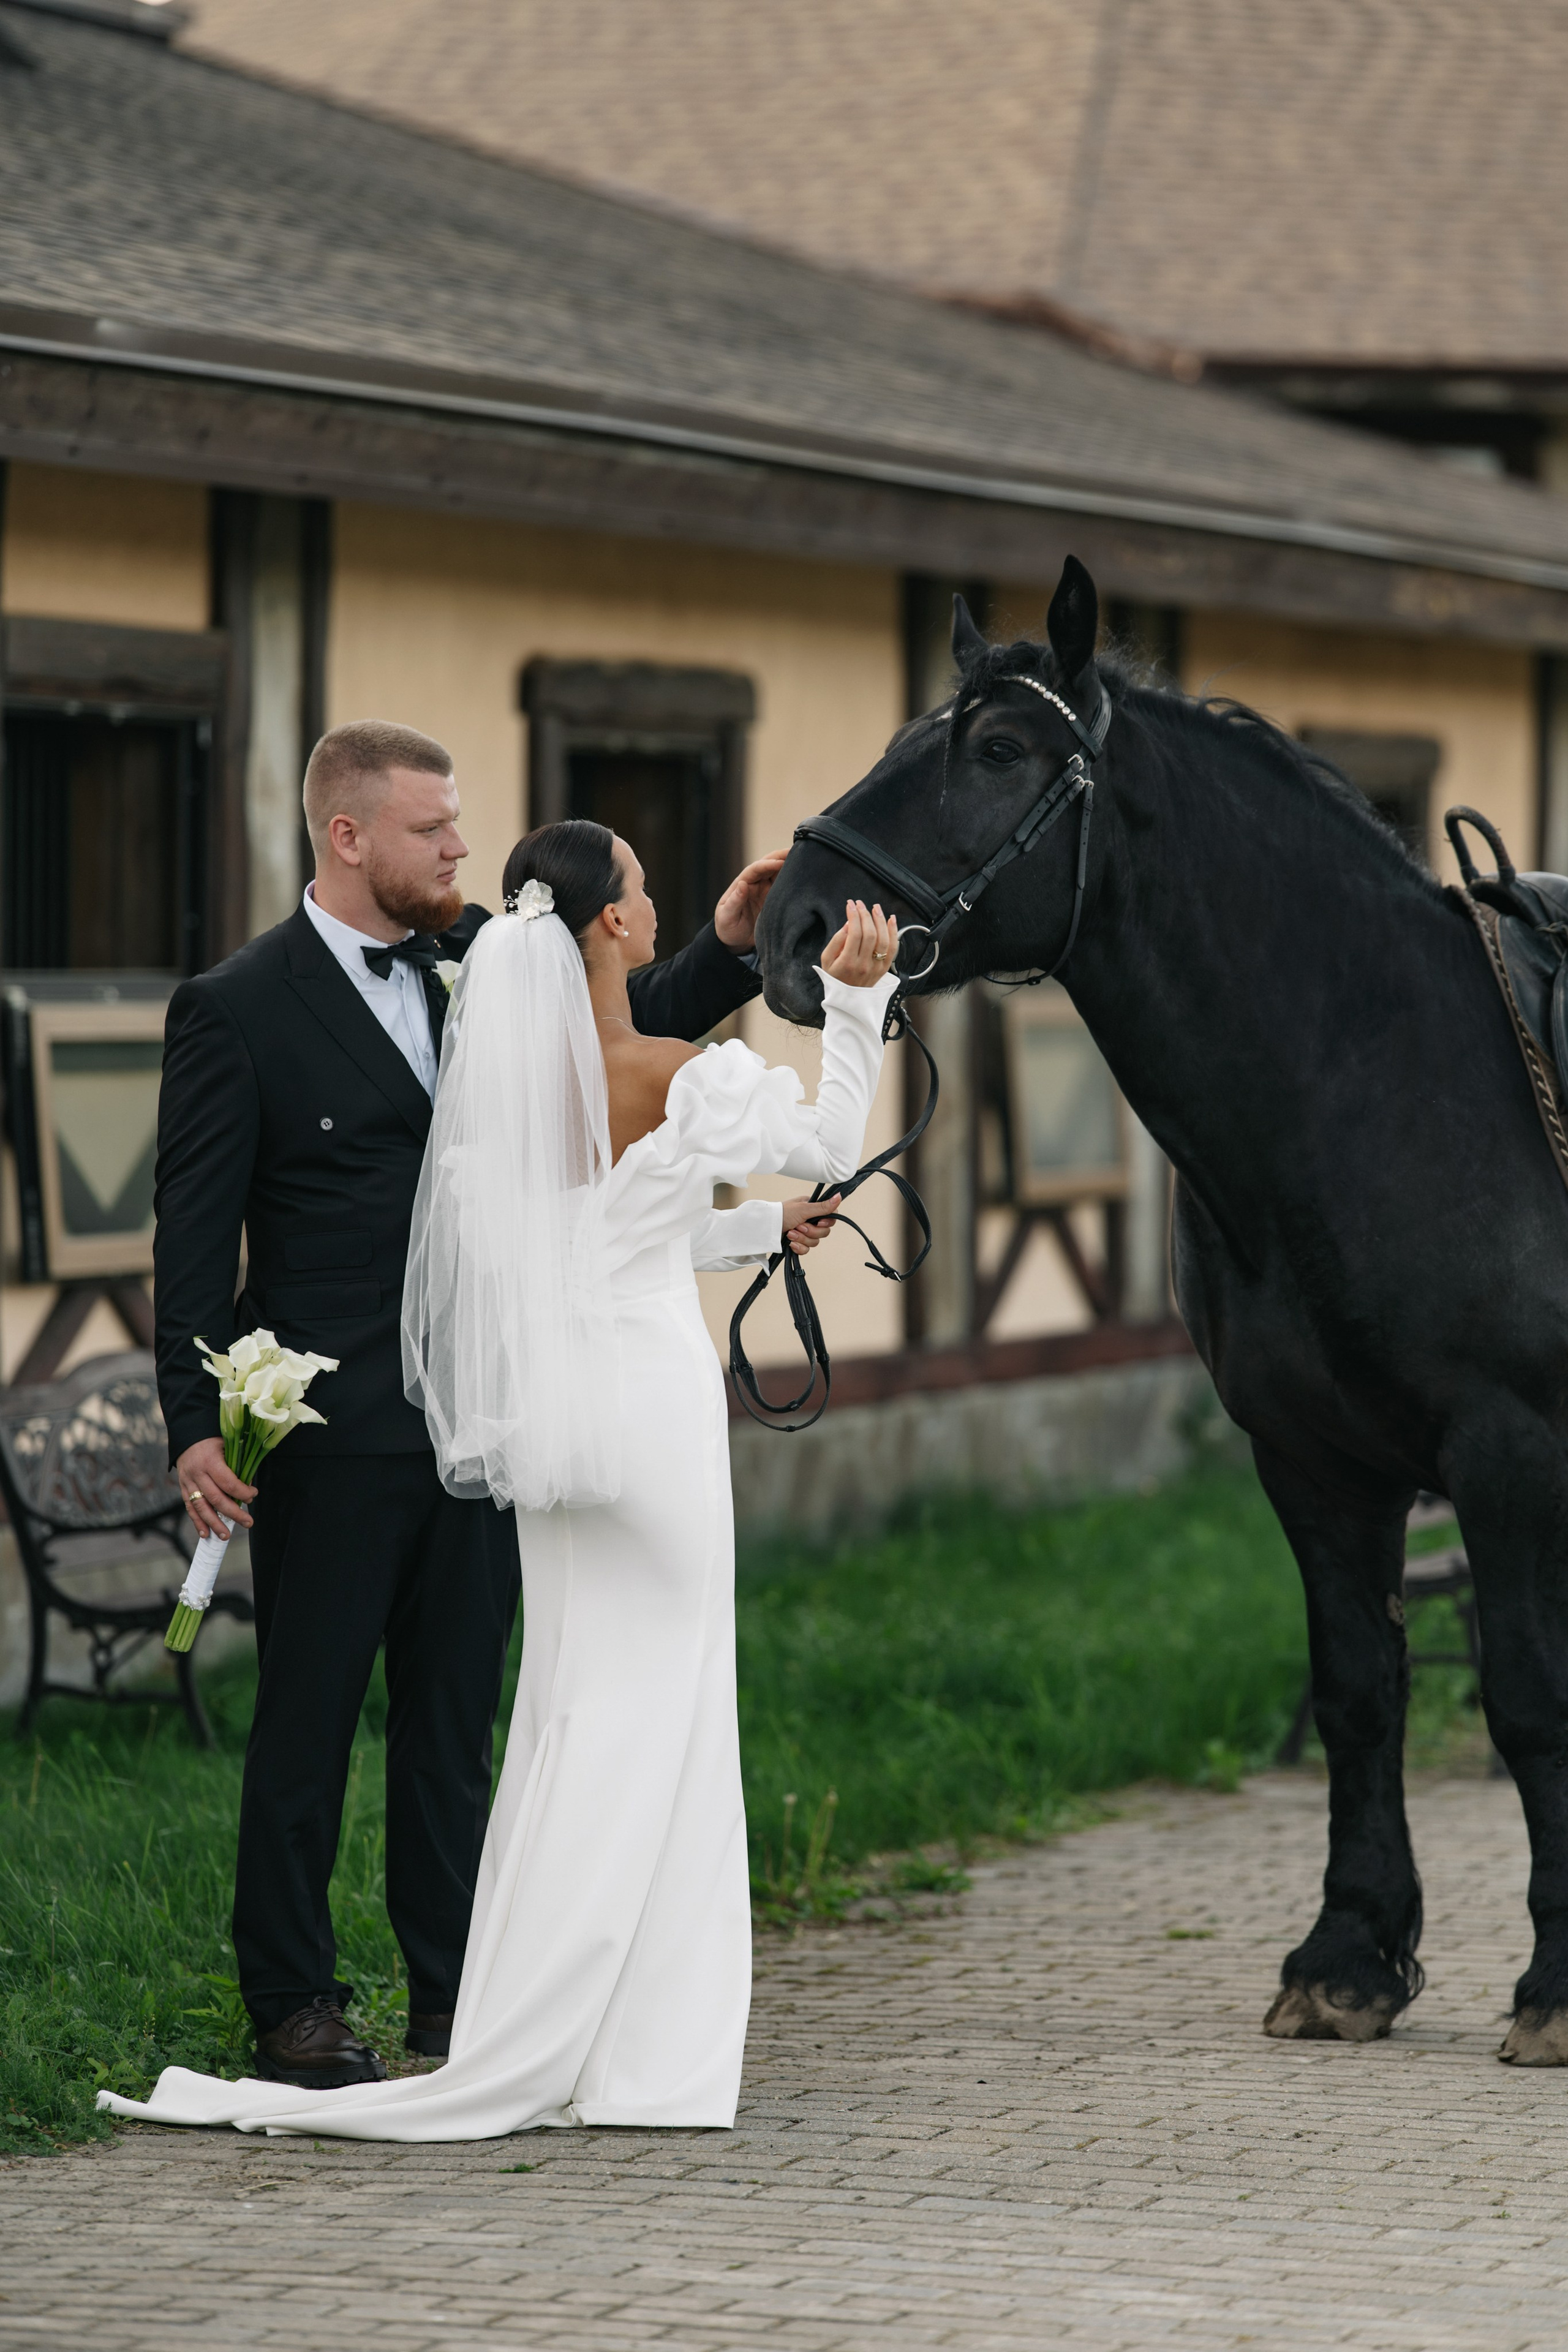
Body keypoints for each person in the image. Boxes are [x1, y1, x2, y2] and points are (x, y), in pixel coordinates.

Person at [104, 818, 896, 2139]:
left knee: (551, 1718)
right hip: (619, 1421)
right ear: (605, 925)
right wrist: (860, 1002)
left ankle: (512, 2007)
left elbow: (598, 1226)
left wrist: (752, 1226)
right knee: (661, 1706)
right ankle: (625, 2031)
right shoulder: (636, 1065)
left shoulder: (503, 1071)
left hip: (548, 1435)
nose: (456, 842)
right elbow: (821, 1135)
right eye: (641, 893)